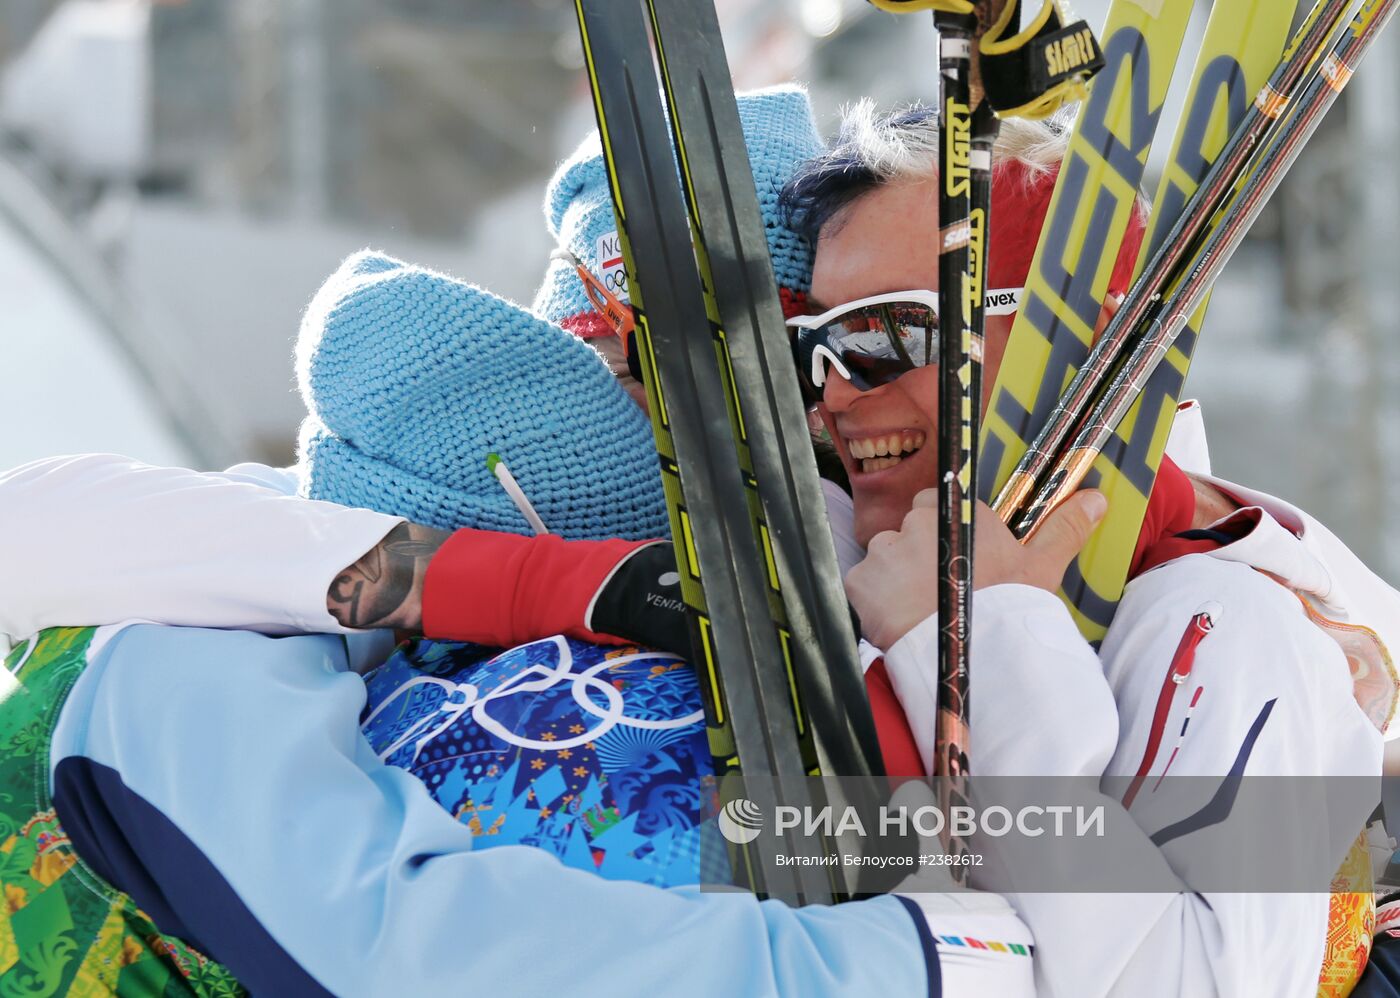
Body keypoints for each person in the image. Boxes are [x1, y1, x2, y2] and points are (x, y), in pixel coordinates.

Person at [0, 229, 1040, 994]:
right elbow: (414, 952)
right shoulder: (171, 675)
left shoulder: (293, 571)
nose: (837, 397)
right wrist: (935, 957)